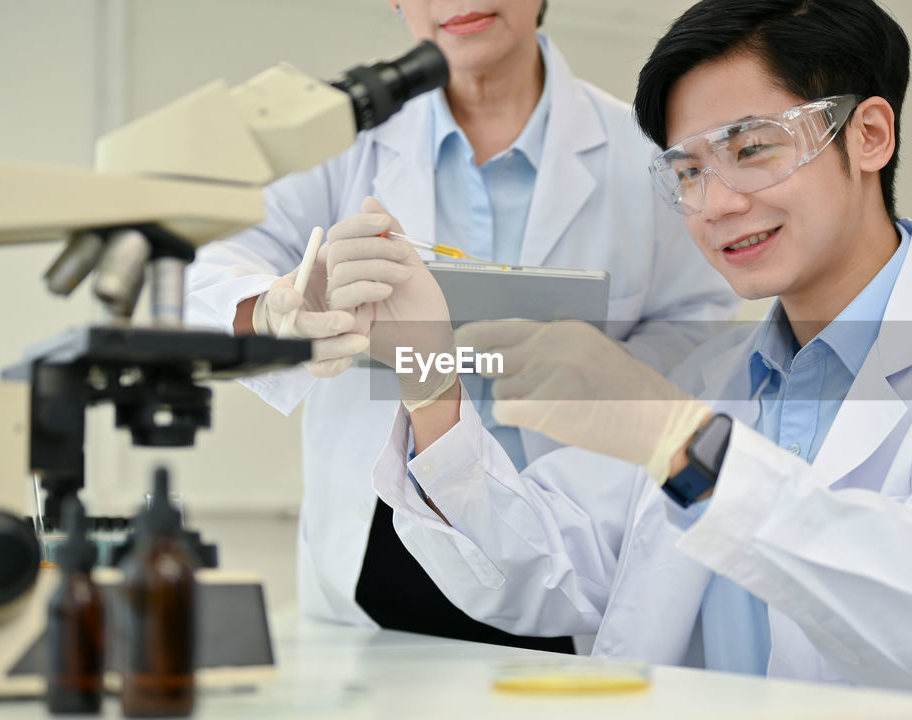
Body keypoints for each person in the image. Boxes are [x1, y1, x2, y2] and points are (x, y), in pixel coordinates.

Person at [341, 0, 912, 716]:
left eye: (752, 149)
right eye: (687, 170)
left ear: (869, 135)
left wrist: (679, 441)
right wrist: (430, 376)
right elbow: (538, 575)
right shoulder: (710, 377)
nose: (717, 203)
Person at [183, 0, 736, 652]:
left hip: (565, 547)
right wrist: (279, 304)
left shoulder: (639, 151)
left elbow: (700, 326)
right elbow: (204, 267)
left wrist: (603, 375)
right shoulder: (339, 141)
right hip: (376, 554)